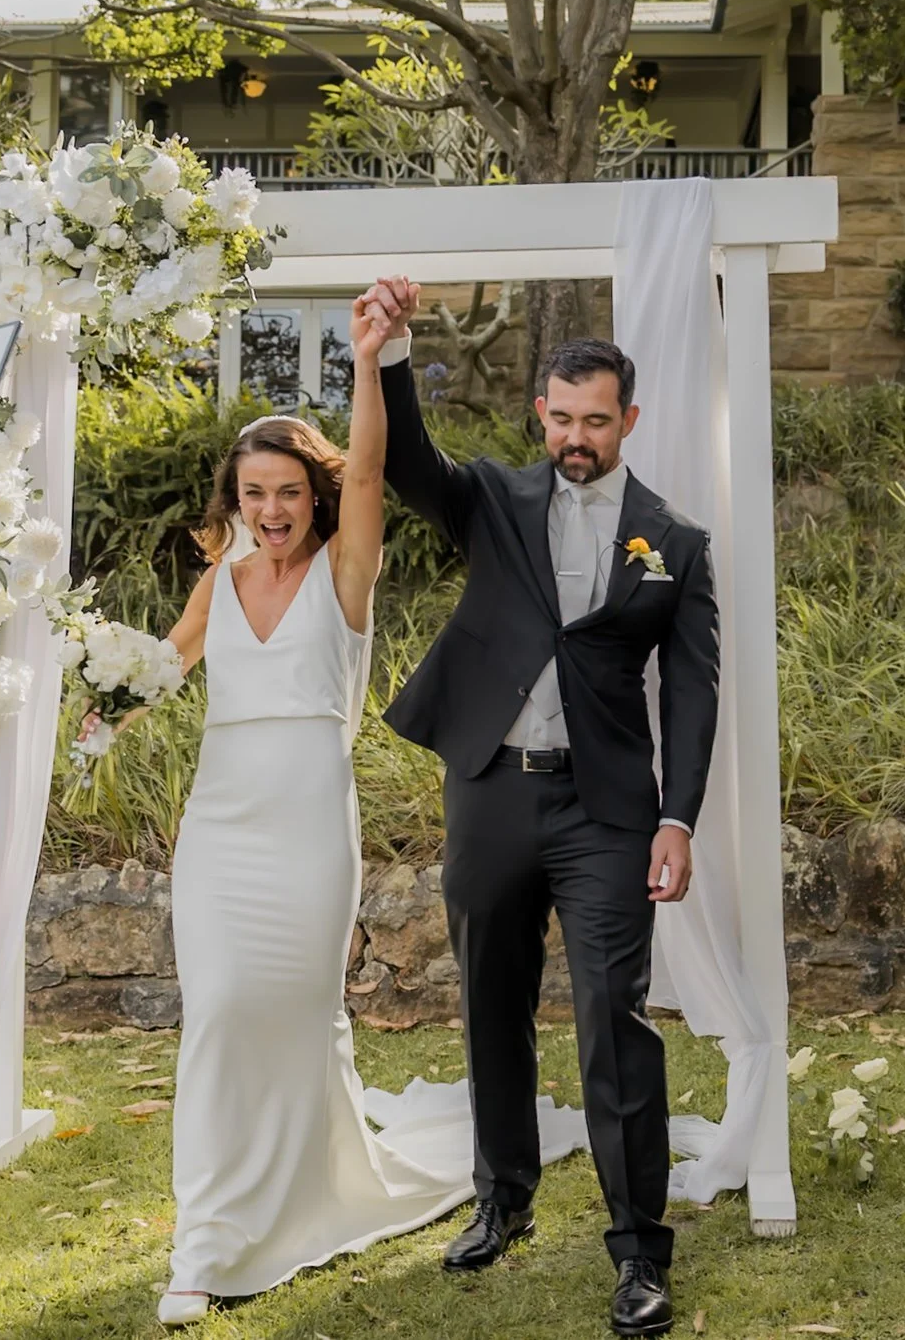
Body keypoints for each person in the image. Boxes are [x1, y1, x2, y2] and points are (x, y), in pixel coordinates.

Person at [138, 295, 532, 1325]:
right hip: (219, 823)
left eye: (287, 492)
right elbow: (160, 669)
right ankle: (207, 1238)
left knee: (299, 1016)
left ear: (313, 499)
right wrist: (103, 698)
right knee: (218, 1012)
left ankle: (305, 1190)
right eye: (253, 492)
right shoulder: (218, 580)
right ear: (235, 497)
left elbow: (369, 469)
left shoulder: (345, 575)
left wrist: (369, 362)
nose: (271, 509)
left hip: (311, 819)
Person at [364, 276, 717, 1340]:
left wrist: (679, 817)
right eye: (560, 418)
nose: (575, 436)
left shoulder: (673, 538)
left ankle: (638, 1251)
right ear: (541, 416)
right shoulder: (496, 500)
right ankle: (502, 1197)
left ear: (628, 420)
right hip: (488, 792)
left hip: (606, 808)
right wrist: (389, 354)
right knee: (490, 1001)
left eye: (594, 420)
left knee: (615, 1018)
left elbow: (693, 689)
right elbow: (409, 464)